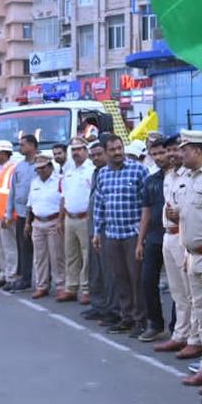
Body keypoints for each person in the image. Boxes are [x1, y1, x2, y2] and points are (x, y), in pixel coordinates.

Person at [92, 134, 149, 334]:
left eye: (119, 148)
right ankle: (126, 317)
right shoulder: (103, 174)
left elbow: (146, 206)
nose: (117, 152)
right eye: (113, 150)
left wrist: (142, 238)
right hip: (112, 234)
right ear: (106, 153)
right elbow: (100, 203)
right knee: (120, 278)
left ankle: (140, 320)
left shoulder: (139, 170)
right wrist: (97, 232)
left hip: (133, 234)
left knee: (136, 279)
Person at [175, 130, 202, 388]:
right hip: (191, 254)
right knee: (201, 314)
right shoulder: (189, 177)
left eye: (186, 149)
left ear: (200, 151)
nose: (181, 154)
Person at [154, 137, 195, 354]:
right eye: (169, 150)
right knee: (177, 290)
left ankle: (193, 339)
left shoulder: (191, 177)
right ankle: (180, 333)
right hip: (168, 235)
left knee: (190, 291)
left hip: (182, 235)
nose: (173, 154)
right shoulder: (169, 176)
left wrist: (178, 215)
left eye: (177, 150)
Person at [82, 140, 120, 326]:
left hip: (108, 229)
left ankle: (111, 309)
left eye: (99, 154)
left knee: (109, 272)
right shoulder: (97, 173)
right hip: (94, 228)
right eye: (93, 155)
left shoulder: (111, 174)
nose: (96, 158)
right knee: (95, 269)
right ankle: (99, 305)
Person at [135, 136, 168, 342]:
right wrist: (140, 241)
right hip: (154, 237)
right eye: (154, 154)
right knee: (148, 281)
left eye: (161, 152)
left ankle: (178, 328)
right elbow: (145, 212)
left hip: (175, 237)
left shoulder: (180, 177)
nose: (158, 157)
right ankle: (154, 324)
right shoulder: (151, 181)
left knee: (178, 288)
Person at [26, 152, 65, 299]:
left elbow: (63, 202)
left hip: (53, 221)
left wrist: (61, 221)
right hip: (37, 222)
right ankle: (42, 285)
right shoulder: (34, 182)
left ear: (50, 167)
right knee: (39, 257)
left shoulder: (59, 181)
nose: (40, 171)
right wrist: (28, 223)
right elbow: (30, 204)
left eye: (43, 168)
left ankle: (61, 285)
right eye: (38, 169)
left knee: (57, 256)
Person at [60, 138, 94, 303]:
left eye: (79, 149)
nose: (76, 153)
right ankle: (71, 287)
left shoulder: (91, 169)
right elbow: (64, 195)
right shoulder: (68, 169)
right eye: (73, 150)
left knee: (86, 255)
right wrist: (62, 218)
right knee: (71, 254)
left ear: (86, 151)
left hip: (84, 218)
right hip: (69, 217)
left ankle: (86, 289)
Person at [9, 135, 39, 292]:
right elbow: (13, 190)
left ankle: (43, 281)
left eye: (23, 145)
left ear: (32, 146)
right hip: (21, 213)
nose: (20, 147)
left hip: (38, 212)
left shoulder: (43, 164)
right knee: (24, 247)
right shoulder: (19, 167)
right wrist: (9, 212)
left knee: (41, 250)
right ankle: (25, 278)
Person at [0, 141, 19, 289]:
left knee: (9, 247)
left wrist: (8, 214)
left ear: (4, 153)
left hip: (6, 215)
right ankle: (3, 274)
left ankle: (11, 277)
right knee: (0, 247)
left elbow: (12, 194)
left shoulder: (12, 169)